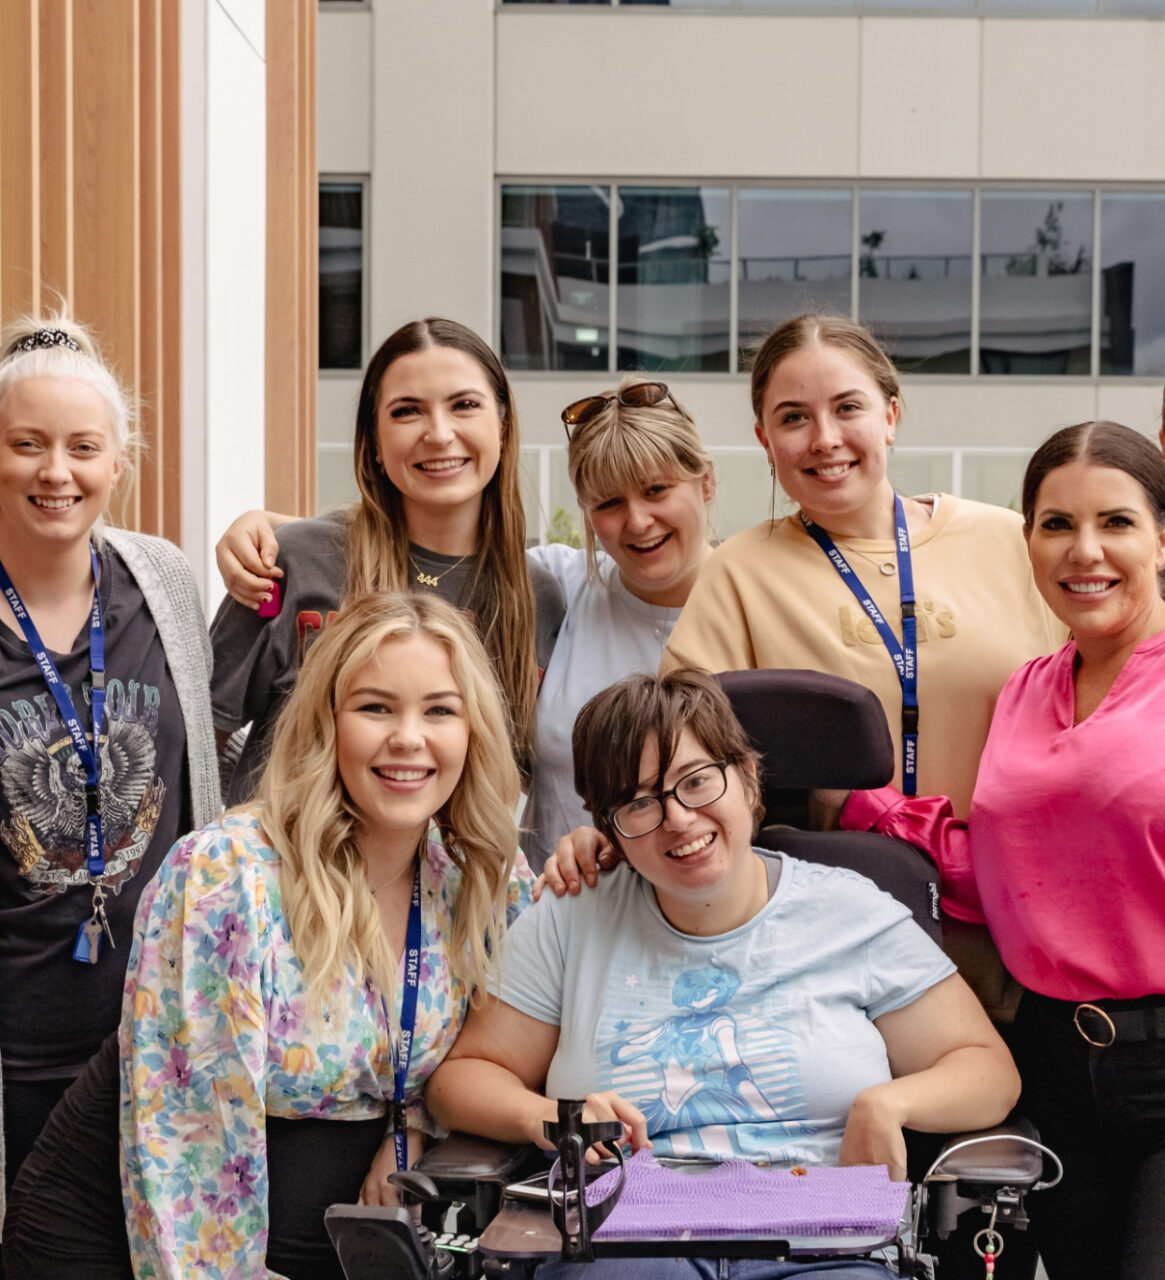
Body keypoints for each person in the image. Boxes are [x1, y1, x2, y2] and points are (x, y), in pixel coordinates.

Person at [426, 668, 1020, 1280]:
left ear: (747, 775)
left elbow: (987, 1070)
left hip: (824, 1237)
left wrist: (889, 1103)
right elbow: (464, 1079)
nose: (677, 819)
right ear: (610, 830)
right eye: (639, 803)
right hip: (628, 1240)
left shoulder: (851, 910)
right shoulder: (573, 915)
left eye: (697, 781)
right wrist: (550, 1118)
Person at [840, 421, 1165, 1280]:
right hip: (1049, 1058)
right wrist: (872, 818)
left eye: (1116, 522)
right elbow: (1010, 865)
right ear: (1026, 539)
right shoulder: (1026, 688)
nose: (1082, 550)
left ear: (1161, 536)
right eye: (1055, 524)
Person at [662, 314, 1061, 825]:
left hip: (1015, 884)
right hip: (835, 889)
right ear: (765, 441)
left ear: (890, 416)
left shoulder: (1013, 542)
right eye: (793, 418)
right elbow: (677, 759)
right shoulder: (737, 574)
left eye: (848, 407)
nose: (825, 438)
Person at [0, 314, 218, 1214]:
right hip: (17, 1056)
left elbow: (213, 744)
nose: (58, 471)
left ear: (117, 466)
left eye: (83, 447)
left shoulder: (161, 579)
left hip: (157, 1038)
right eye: (26, 445)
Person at [210, 317, 565, 803]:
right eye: (407, 411)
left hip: (451, 876)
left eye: (464, 405)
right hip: (278, 871)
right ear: (374, 442)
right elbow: (198, 735)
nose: (439, 434)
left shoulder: (536, 597)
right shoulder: (289, 562)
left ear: (502, 427)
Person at [522, 379, 715, 870]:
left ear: (705, 482)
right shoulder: (557, 585)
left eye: (656, 490)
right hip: (559, 922)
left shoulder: (757, 607)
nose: (638, 521)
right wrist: (296, 548)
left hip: (704, 920)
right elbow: (419, 555)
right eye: (608, 503)